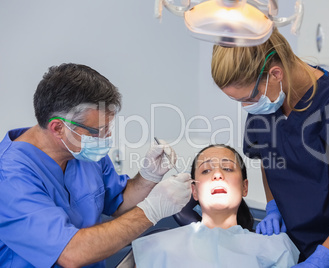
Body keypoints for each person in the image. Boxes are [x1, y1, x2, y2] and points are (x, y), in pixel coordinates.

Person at [210, 28, 329, 267]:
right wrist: (273, 206)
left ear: (275, 74)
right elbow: (268, 157)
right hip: (297, 243)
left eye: (247, 99)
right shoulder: (265, 102)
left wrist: (323, 257)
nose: (246, 107)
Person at [0, 63, 192, 267]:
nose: (106, 137)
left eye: (108, 128)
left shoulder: (81, 152)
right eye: (97, 130)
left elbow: (118, 203)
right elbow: (71, 253)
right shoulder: (10, 177)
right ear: (58, 128)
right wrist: (151, 211)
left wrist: (147, 177)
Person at [132, 144, 299, 267]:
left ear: (244, 187)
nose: (218, 174)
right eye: (206, 171)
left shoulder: (275, 248)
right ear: (194, 191)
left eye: (227, 168)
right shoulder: (158, 247)